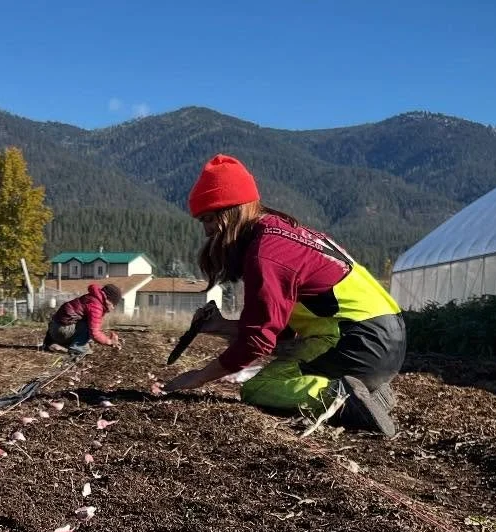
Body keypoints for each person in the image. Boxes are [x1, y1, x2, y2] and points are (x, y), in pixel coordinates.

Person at [163, 155, 406, 435]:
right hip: (383, 336)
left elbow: (257, 342)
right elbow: (281, 332)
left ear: (231, 211)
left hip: (360, 340)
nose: (206, 230)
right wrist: (220, 326)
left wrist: (198, 377)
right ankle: (370, 387)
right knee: (286, 361)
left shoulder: (265, 254)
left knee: (260, 387)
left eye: (208, 218)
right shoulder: (286, 235)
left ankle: (343, 398)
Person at [44, 282, 123, 354]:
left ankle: (56, 344)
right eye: (114, 304)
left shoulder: (91, 298)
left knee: (87, 327)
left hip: (54, 329)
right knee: (89, 327)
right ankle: (78, 347)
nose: (113, 307)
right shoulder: (96, 306)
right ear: (108, 300)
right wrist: (109, 341)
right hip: (61, 331)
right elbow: (94, 333)